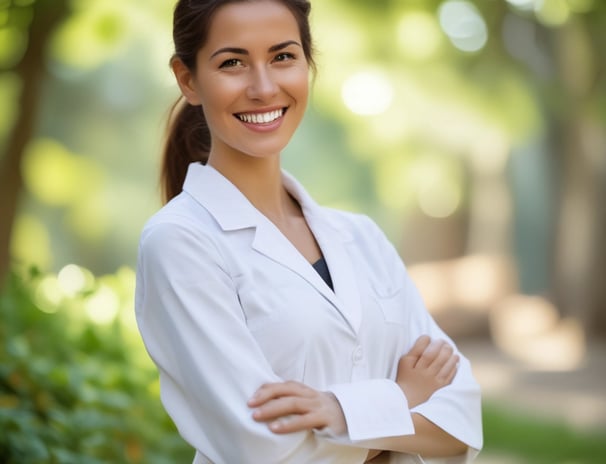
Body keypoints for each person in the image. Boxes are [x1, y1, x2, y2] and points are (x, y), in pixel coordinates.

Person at [134, 0, 483, 463]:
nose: (263, 87)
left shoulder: (362, 237)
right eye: (232, 63)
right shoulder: (180, 242)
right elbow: (262, 447)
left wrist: (334, 414)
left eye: (283, 57)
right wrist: (401, 399)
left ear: (307, 64)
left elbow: (462, 421)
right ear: (188, 79)